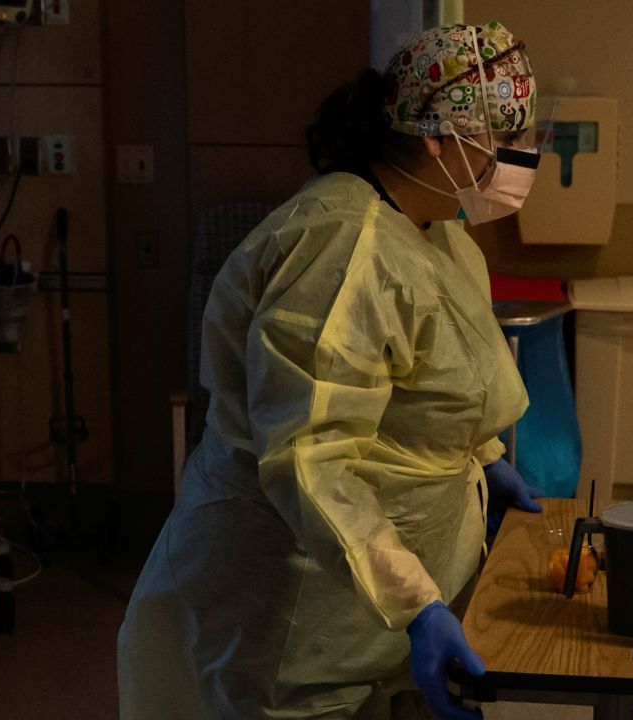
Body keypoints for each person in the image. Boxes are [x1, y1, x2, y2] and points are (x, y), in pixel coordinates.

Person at [118, 22, 545, 720]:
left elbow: (438, 381)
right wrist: (415, 607)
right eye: (504, 137)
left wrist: (482, 457)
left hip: (372, 620)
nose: (521, 157)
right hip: (298, 614)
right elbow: (310, 459)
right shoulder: (340, 246)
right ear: (436, 137)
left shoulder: (439, 232)